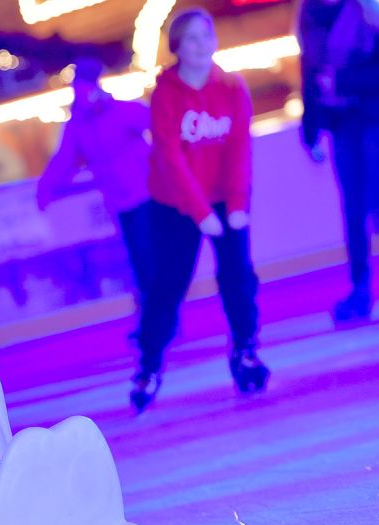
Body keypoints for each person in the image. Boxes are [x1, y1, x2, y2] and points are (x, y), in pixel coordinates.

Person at [131, 8, 269, 412]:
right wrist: (199, 212)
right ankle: (149, 367)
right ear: (176, 47)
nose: (200, 44)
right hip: (175, 204)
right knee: (168, 285)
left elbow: (240, 149)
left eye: (205, 35)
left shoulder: (232, 87)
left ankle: (246, 352)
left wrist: (238, 204)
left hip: (226, 199)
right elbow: (170, 159)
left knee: (239, 278)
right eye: (190, 38)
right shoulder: (165, 93)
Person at [298, 0, 379, 320]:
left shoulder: (367, 10)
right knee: (353, 206)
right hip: (342, 120)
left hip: (378, 114)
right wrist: (310, 125)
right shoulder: (308, 14)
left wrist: (341, 82)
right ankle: (360, 290)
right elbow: (310, 71)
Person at [36, 56, 154, 314]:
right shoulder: (82, 125)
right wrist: (46, 188)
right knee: (141, 259)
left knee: (149, 257)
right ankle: (153, 314)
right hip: (124, 202)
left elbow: (156, 123)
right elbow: (65, 161)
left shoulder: (117, 112)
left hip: (147, 196)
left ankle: (156, 312)